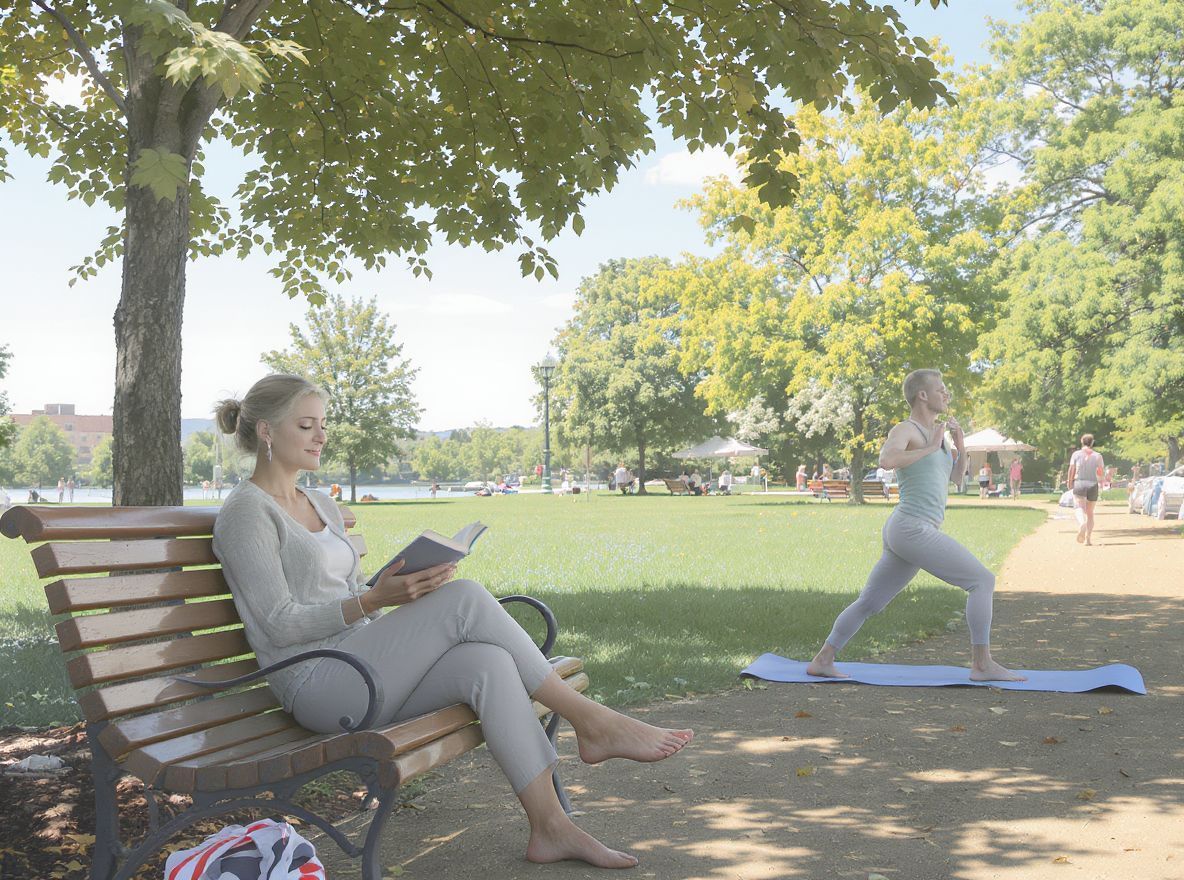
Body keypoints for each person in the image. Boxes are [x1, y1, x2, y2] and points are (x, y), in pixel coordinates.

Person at [211, 374, 691, 869]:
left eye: (323, 424)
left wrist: (402, 586)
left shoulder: (321, 503)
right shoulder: (247, 513)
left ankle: (551, 827)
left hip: (362, 664)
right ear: (266, 432)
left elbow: (345, 595)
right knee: (465, 599)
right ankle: (592, 720)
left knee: (486, 662)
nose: (321, 436)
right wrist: (375, 601)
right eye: (306, 425)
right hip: (318, 683)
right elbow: (276, 624)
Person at [806, 368, 1024, 683]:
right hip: (911, 527)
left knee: (870, 602)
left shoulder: (940, 434)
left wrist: (958, 447)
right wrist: (929, 446)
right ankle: (982, 664)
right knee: (982, 581)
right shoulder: (906, 430)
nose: (947, 394)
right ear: (922, 395)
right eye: (942, 389)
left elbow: (956, 480)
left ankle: (823, 659)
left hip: (912, 530)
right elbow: (886, 460)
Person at [1067, 434, 1105, 546]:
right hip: (1093, 484)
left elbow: (1071, 469)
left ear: (1082, 442)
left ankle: (1082, 523)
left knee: (1078, 507)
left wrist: (1069, 482)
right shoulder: (1098, 456)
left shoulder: (1076, 454)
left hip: (1079, 483)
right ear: (1092, 443)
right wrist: (1101, 481)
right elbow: (1100, 472)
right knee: (1090, 513)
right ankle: (1088, 539)